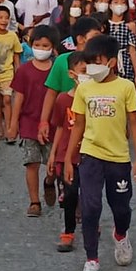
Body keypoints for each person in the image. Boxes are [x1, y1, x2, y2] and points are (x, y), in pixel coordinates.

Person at [64, 34, 136, 271]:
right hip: (90, 155)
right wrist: (69, 158)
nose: (91, 67)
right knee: (91, 207)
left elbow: (134, 123)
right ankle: (92, 260)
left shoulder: (126, 87)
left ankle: (120, 235)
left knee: (121, 207)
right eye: (88, 62)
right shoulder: (84, 89)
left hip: (118, 157)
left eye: (97, 61)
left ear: (111, 62)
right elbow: (78, 125)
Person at [8, 25, 58, 217]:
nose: (41, 48)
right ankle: (34, 201)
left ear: (52, 47)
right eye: (37, 44)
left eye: (45, 45)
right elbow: (18, 98)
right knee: (32, 163)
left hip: (53, 124)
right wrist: (13, 124)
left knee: (53, 165)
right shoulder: (24, 71)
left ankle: (49, 182)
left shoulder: (57, 69)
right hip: (28, 122)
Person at [37, 17, 103, 143]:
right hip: (67, 123)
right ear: (80, 39)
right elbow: (51, 93)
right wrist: (44, 121)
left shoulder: (100, 62)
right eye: (95, 35)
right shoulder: (62, 60)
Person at [47, 51, 87, 251]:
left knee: (90, 195)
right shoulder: (63, 100)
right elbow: (60, 127)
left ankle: (90, 224)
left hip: (89, 154)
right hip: (66, 155)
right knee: (70, 195)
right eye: (83, 71)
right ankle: (68, 231)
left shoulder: (94, 98)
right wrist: (53, 155)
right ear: (72, 74)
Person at [0, 6, 22, 141]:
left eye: (6, 18)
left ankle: (9, 129)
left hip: (8, 73)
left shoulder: (12, 35)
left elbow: (16, 55)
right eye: (0, 17)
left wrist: (18, 70)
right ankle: (0, 129)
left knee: (7, 100)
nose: (4, 20)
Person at [107, 0, 136, 84]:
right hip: (108, 63)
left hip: (125, 64)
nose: (119, 5)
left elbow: (132, 51)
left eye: (123, 2)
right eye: (116, 2)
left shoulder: (130, 25)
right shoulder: (105, 24)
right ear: (110, 5)